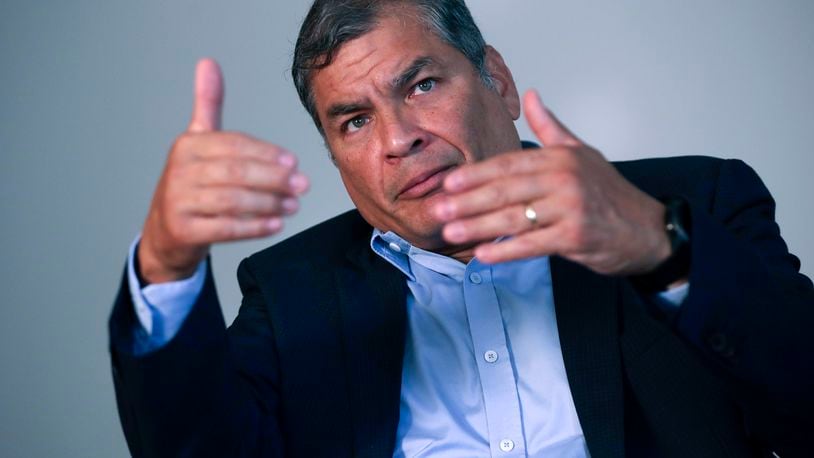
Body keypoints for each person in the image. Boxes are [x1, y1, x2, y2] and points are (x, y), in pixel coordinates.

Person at [109, 0, 813, 456]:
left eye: (420, 85)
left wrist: (664, 250)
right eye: (355, 120)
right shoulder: (293, 290)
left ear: (496, 81)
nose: (398, 139)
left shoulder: (684, 201)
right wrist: (167, 263)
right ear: (334, 154)